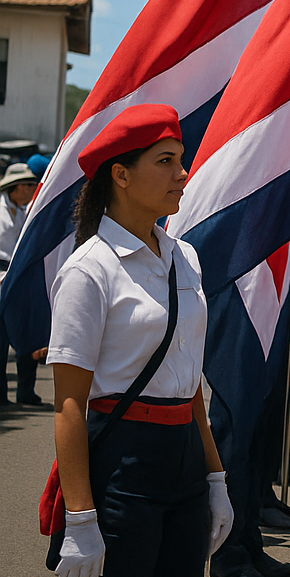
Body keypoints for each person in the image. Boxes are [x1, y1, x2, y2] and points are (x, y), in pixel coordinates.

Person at [45, 104, 233, 577]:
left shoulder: (184, 257)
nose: (182, 172)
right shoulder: (90, 269)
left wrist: (215, 478)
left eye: (181, 159)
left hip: (185, 456)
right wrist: (82, 520)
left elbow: (188, 383)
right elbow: (69, 403)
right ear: (122, 176)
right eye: (165, 160)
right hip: (124, 462)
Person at [1, 161, 42, 405]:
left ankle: (26, 390)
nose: (31, 189)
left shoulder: (26, 212)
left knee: (28, 333)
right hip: (2, 277)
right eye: (27, 184)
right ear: (14, 188)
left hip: (20, 278)